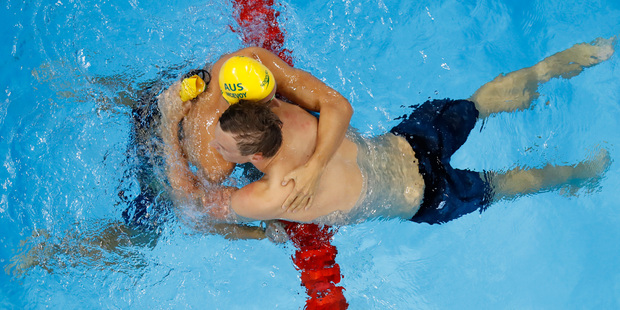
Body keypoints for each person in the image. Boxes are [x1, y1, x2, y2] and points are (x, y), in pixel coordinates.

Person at [208, 37, 615, 225]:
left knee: (505, 184)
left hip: (428, 197)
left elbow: (198, 208)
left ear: (256, 157)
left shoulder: (272, 193)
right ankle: (553, 67)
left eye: (223, 146)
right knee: (479, 103)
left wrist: (173, 113)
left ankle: (584, 173)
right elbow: (336, 105)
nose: (214, 144)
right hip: (411, 142)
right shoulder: (287, 111)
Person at [157, 47, 353, 217]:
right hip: (163, 122)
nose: (277, 102)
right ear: (242, 106)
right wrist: (168, 124)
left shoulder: (245, 63)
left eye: (274, 94)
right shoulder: (216, 159)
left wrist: (315, 166)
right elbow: (188, 200)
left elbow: (338, 105)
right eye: (268, 103)